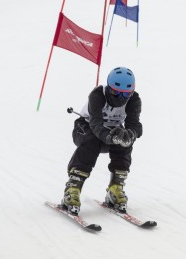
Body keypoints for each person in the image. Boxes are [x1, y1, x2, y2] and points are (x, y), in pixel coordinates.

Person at [61, 66, 142, 215]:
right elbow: (95, 123)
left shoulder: (134, 99)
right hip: (85, 127)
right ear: (109, 88)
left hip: (111, 131)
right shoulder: (97, 94)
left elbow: (134, 124)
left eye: (126, 94)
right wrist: (110, 136)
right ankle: (73, 187)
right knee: (91, 141)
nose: (121, 98)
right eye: (116, 92)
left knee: (124, 140)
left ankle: (116, 187)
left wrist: (131, 135)